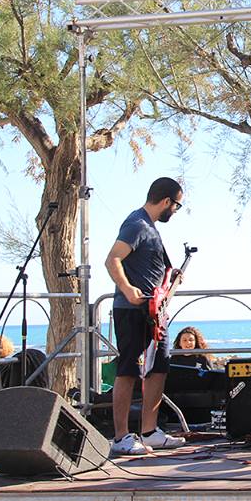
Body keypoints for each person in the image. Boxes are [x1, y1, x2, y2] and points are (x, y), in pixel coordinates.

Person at [105, 176, 187, 456]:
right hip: (132, 310)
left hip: (155, 311)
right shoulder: (136, 224)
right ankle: (120, 437)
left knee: (159, 367)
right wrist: (127, 289)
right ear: (166, 201)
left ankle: (150, 431)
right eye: (176, 206)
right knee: (128, 369)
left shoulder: (149, 228)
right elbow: (112, 258)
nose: (175, 211)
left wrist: (171, 279)